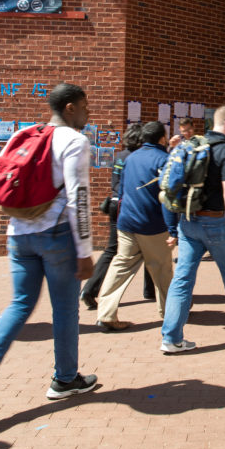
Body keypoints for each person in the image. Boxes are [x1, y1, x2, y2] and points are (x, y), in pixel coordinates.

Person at [0, 83, 97, 425]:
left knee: (18, 306)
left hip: (19, 234)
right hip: (57, 236)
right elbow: (79, 199)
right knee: (65, 309)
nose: (89, 113)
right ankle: (65, 379)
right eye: (85, 106)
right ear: (70, 107)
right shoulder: (75, 141)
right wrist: (84, 249)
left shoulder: (24, 133)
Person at [160, 105, 225, 352]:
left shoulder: (194, 144)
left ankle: (171, 338)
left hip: (188, 221)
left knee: (182, 279)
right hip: (216, 222)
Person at [96, 122, 178, 331]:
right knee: (162, 269)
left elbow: (121, 191)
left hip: (126, 223)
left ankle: (105, 313)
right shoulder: (164, 160)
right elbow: (167, 197)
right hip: (152, 225)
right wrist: (173, 229)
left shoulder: (130, 158)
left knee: (120, 267)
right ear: (162, 138)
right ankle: (170, 312)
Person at [81, 123, 143, 310]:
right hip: (128, 207)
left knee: (112, 250)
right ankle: (90, 289)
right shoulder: (135, 158)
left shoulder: (120, 156)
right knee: (148, 246)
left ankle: (90, 289)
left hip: (115, 204)